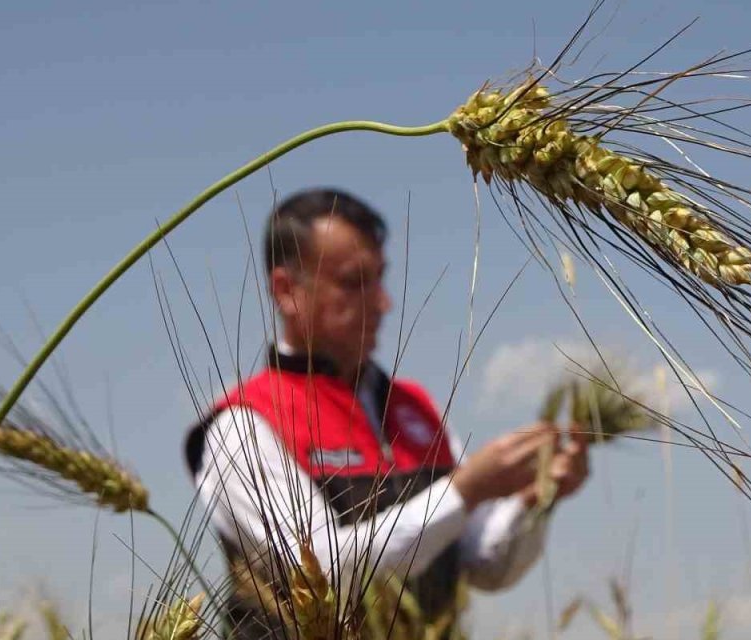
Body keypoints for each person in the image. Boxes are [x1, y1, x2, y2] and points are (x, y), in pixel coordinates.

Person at [184, 188, 589, 635]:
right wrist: (464, 491)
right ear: (287, 290)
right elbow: (322, 573)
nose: (382, 302)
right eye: (354, 282)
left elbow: (485, 564)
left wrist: (533, 502)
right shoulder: (242, 424)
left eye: (380, 278)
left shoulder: (417, 409)